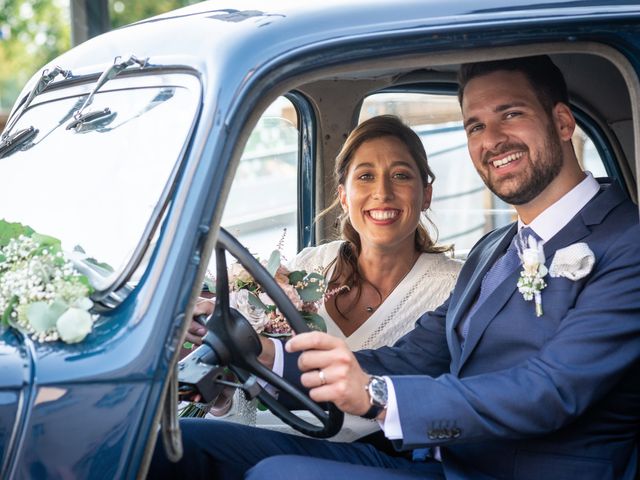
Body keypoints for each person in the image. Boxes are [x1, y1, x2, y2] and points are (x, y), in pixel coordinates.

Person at [148, 56, 640, 479]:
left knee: (279, 475)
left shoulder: (627, 243)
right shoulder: (495, 247)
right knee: (178, 442)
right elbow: (407, 358)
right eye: (474, 125)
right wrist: (262, 351)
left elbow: (549, 390)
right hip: (436, 461)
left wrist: (378, 396)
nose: (491, 140)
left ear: (561, 122)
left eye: (509, 114)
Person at [183, 115, 461, 441]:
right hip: (271, 436)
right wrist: (221, 397)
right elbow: (247, 410)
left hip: (365, 457)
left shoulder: (455, 287)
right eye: (366, 176)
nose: (382, 192)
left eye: (400, 176)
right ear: (344, 196)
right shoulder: (311, 263)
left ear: (425, 195)